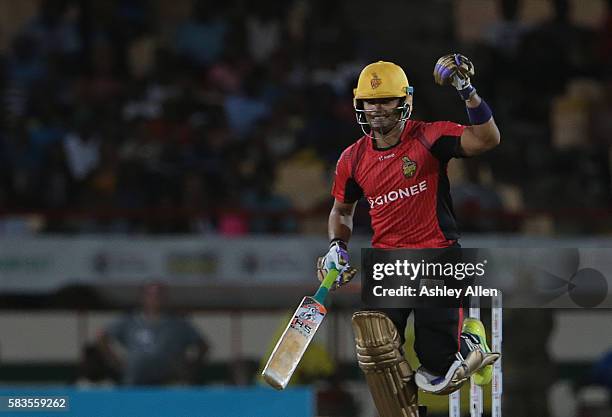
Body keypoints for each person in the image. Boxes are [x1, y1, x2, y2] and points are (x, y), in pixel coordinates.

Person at [316, 56, 501, 416]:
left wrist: (467, 91)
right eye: (371, 102)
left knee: (438, 374)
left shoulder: (429, 136)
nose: (378, 109)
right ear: (360, 105)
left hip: (437, 256)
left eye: (386, 100)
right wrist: (336, 248)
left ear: (404, 102)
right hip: (389, 263)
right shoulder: (352, 160)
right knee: (374, 348)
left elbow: (487, 139)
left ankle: (471, 341)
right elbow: (341, 211)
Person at [97, 282, 209, 386]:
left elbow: (203, 345)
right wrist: (116, 363)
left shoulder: (178, 323)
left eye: (159, 294)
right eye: (150, 294)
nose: (155, 298)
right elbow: (102, 337)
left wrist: (191, 367)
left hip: (169, 382)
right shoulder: (129, 320)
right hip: (135, 381)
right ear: (143, 297)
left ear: (165, 297)